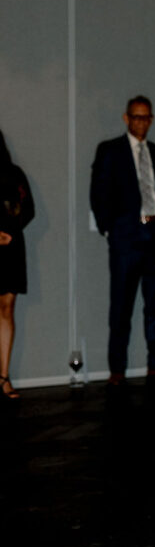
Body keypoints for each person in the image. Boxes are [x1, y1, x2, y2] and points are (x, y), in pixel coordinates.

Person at [90, 97, 155, 385]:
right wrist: (111, 230)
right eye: (136, 117)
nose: (141, 123)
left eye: (146, 118)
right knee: (122, 305)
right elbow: (99, 193)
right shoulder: (110, 151)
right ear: (127, 118)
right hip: (127, 237)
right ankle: (117, 369)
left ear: (151, 119)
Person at [0, 132, 35, 400]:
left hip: (10, 248)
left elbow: (28, 208)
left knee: (7, 308)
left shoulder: (14, 173)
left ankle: (3, 378)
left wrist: (9, 231)